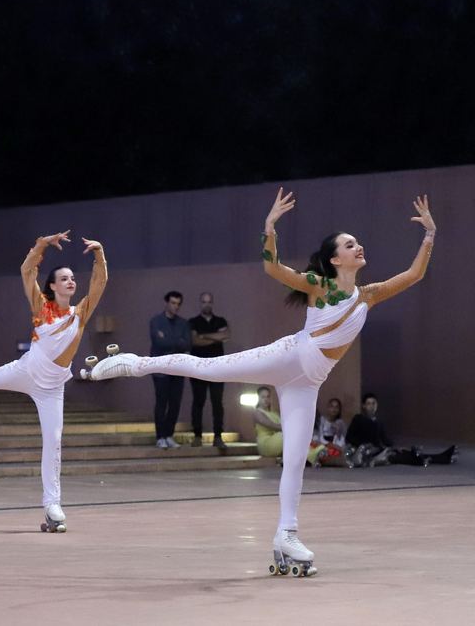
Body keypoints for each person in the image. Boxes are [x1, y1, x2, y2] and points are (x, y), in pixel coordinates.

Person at [86, 189, 437, 576]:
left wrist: (429, 235)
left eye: (357, 243)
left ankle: (286, 534)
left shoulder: (367, 295)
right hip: (287, 357)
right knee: (206, 369)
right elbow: (273, 269)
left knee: (295, 461)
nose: (359, 247)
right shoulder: (321, 286)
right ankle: (133, 363)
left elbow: (415, 274)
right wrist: (269, 228)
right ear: (335, 258)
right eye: (350, 244)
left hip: (307, 384)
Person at [0, 231, 107, 532]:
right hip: (27, 370)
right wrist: (40, 245)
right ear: (52, 286)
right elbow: (27, 271)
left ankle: (53, 506)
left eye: (72, 278)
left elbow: (100, 283)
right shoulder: (42, 306)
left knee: (53, 442)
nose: (70, 281)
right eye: (63, 278)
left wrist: (100, 254)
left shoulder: (81, 313)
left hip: (52, 388)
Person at [346, 393, 457, 468]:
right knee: (397, 456)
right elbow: (350, 437)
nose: (371, 406)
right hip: (367, 452)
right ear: (364, 406)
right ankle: (427, 459)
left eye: (374, 403)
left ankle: (440, 457)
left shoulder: (378, 422)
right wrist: (363, 445)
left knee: (401, 452)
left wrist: (395, 446)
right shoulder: (359, 419)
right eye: (369, 403)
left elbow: (385, 439)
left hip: (379, 449)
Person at [150, 291, 191, 449]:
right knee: (161, 402)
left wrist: (168, 339)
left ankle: (169, 435)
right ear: (166, 303)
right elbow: (159, 342)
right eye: (173, 303)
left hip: (178, 368)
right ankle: (160, 436)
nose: (175, 307)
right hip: (160, 368)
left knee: (175, 403)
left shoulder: (183, 323)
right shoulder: (156, 321)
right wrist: (177, 341)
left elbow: (187, 344)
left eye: (178, 304)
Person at [189, 292, 230, 449]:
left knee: (217, 403)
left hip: (218, 368)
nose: (207, 304)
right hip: (197, 367)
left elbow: (226, 335)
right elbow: (195, 341)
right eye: (204, 302)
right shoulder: (193, 322)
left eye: (209, 302)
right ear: (200, 303)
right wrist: (215, 337)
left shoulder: (220, 320)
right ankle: (197, 436)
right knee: (198, 402)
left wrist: (204, 336)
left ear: (212, 303)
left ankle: (218, 437)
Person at [253, 386, 328, 464]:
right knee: (287, 436)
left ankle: (312, 454)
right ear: (258, 398)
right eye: (263, 397)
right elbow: (272, 425)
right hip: (266, 444)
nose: (266, 399)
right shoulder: (257, 412)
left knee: (293, 437)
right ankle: (314, 455)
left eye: (268, 397)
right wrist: (290, 429)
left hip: (278, 440)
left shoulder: (274, 413)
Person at [311, 397, 347, 467]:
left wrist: (337, 433)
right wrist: (330, 445)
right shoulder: (322, 420)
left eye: (336, 407)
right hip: (321, 445)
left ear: (339, 410)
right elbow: (320, 438)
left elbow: (342, 442)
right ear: (328, 408)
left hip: (333, 449)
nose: (334, 409)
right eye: (332, 406)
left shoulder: (340, 423)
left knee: (336, 452)